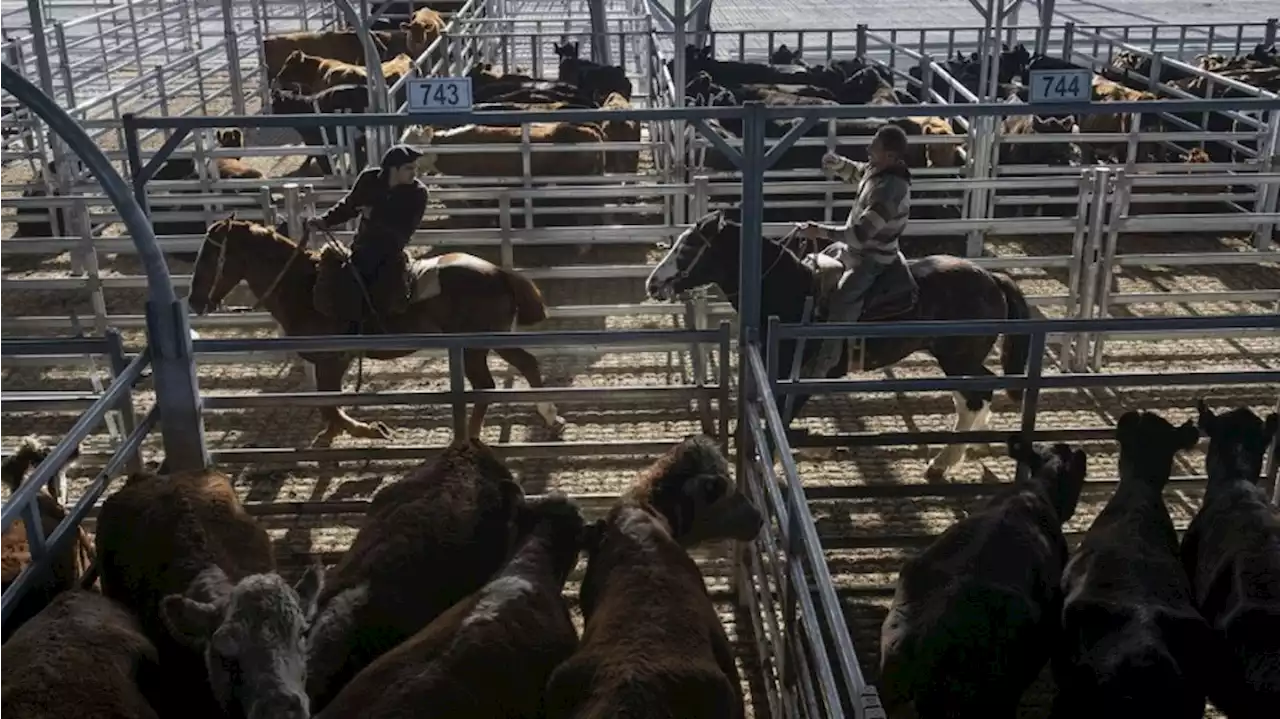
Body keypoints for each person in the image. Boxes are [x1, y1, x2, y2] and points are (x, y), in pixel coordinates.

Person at [796, 124, 912, 377]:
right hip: (855, 250)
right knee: (814, 268)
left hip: (872, 259)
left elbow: (861, 234)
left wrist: (820, 231)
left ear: (890, 156)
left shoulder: (891, 190)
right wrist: (838, 163)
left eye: (875, 147)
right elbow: (858, 172)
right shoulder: (878, 171)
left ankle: (823, 364)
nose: (869, 149)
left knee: (842, 300)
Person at [307, 144, 430, 329]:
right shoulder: (369, 180)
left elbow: (404, 230)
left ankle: (361, 327)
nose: (414, 173)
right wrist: (325, 221)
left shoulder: (418, 194)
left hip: (389, 250)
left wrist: (375, 216)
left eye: (415, 168)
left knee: (365, 279)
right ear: (393, 169)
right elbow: (349, 205)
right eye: (409, 168)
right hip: (363, 244)